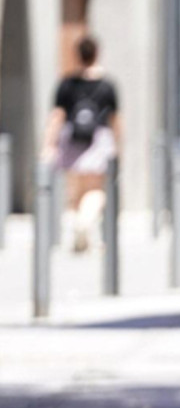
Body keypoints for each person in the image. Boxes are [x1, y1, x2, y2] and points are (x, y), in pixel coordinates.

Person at [41, 36, 122, 253]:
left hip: (71, 139)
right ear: (97, 53)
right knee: (96, 189)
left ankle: (78, 231)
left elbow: (57, 116)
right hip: (98, 138)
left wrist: (48, 145)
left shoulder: (66, 84)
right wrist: (117, 146)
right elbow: (115, 119)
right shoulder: (107, 86)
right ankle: (84, 224)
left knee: (74, 190)